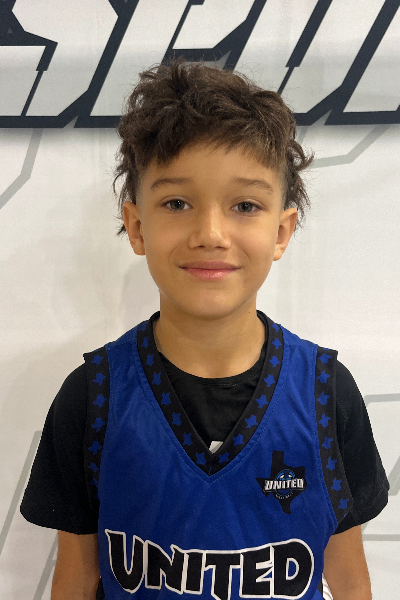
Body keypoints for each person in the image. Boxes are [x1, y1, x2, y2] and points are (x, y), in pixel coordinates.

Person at [21, 60, 389, 600]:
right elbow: (75, 578)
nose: (211, 233)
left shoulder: (326, 394)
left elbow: (351, 580)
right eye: (177, 203)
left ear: (281, 230)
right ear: (137, 225)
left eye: (245, 205)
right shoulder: (93, 397)